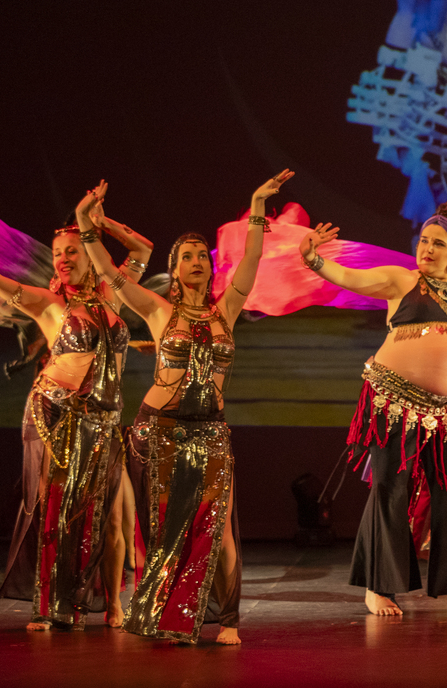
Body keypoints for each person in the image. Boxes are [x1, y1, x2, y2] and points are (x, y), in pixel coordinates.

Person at [300, 165, 447, 616]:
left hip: (445, 411)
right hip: (392, 402)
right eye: (424, 240)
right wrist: (313, 259)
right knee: (392, 489)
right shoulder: (402, 280)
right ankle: (378, 587)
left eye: (438, 243)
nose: (426, 249)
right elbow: (347, 278)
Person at [76, 171, 291, 644]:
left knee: (219, 529)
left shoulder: (226, 310)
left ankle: (229, 621)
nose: (196, 262)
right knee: (166, 529)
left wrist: (257, 205)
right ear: (173, 270)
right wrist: (85, 223)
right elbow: (110, 273)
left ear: (211, 268)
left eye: (201, 256)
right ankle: (166, 613)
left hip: (210, 430)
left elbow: (253, 258)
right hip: (160, 430)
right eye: (186, 257)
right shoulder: (158, 310)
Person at [0, 193, 150, 630]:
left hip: (104, 420)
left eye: (72, 251)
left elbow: (142, 250)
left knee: (108, 518)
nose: (63, 259)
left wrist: (100, 224)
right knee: (55, 512)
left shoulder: (114, 295)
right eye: (58, 253)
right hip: (56, 417)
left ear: (91, 255)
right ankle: (46, 606)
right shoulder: (50, 304)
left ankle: (107, 604)